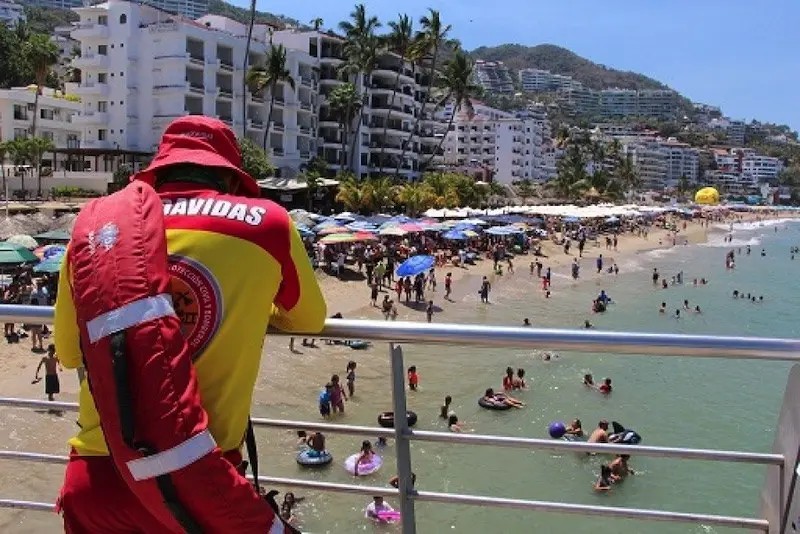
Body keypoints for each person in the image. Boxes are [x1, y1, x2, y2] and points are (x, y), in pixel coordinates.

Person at [55, 116, 326, 533]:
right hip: (196, 484)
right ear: (231, 177)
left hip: (97, 481)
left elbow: (72, 351)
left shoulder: (98, 231)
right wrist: (251, 311)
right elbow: (309, 319)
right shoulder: (268, 224)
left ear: (156, 172)